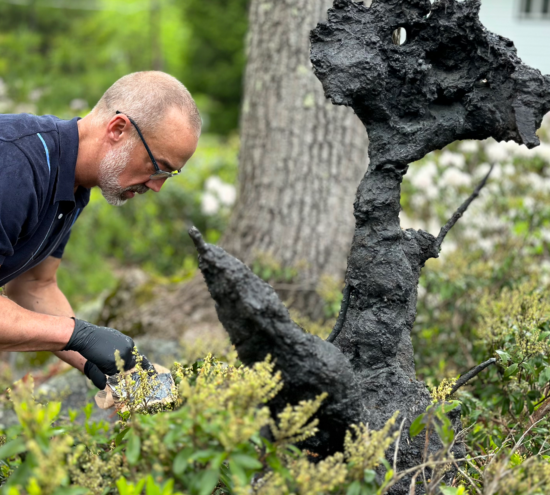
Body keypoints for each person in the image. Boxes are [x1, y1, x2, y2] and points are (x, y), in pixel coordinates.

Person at [0, 71, 201, 389]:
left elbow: (35, 285)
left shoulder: (71, 180)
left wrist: (107, 367)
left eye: (169, 175)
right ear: (118, 129)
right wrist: (78, 335)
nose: (158, 186)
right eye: (157, 166)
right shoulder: (13, 167)